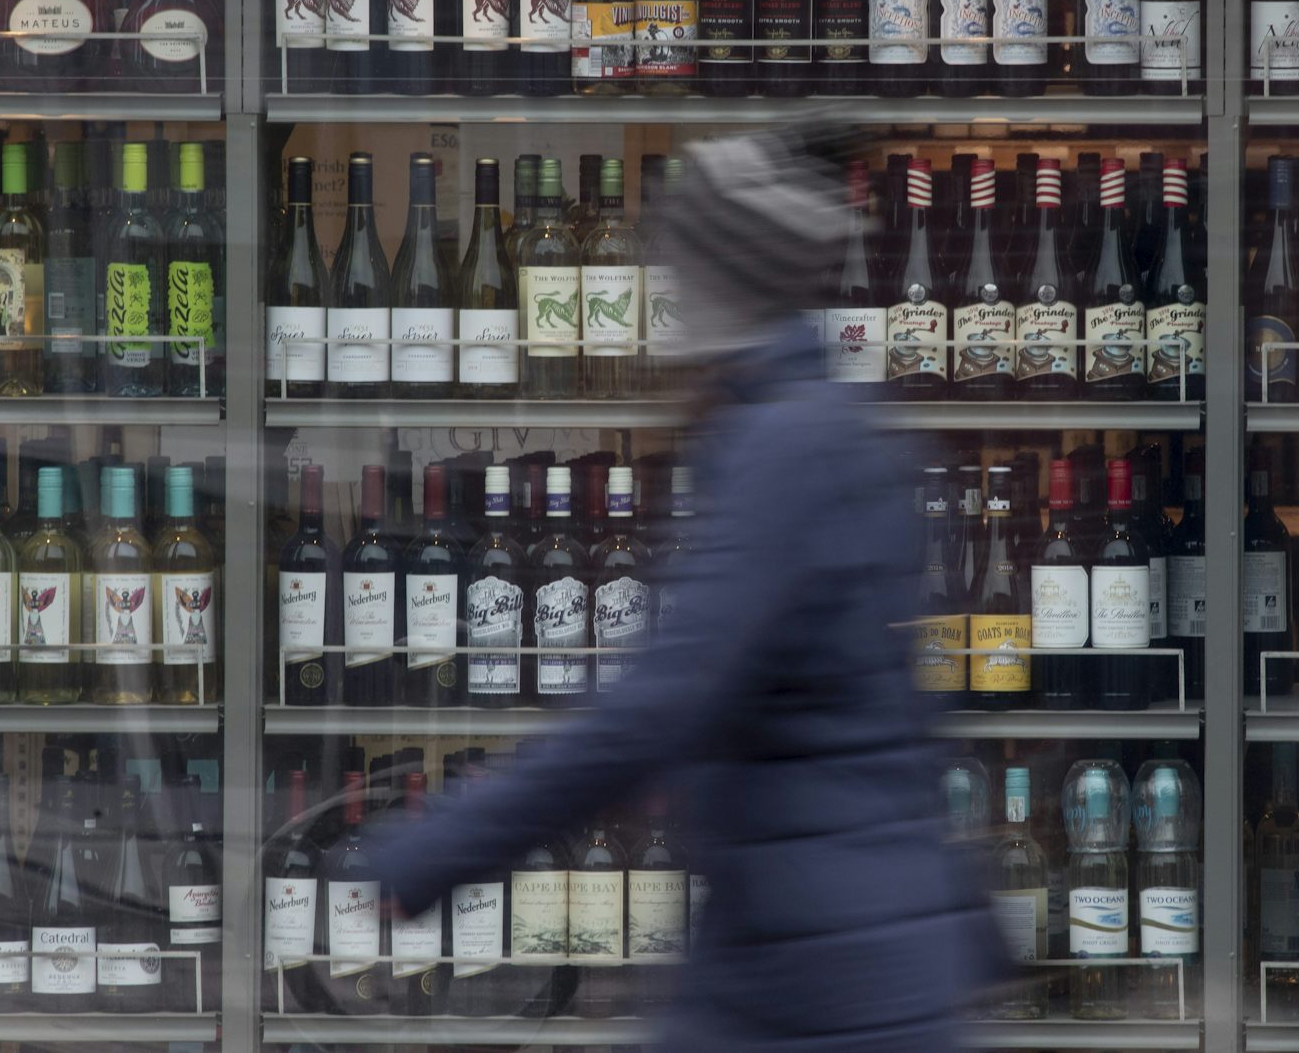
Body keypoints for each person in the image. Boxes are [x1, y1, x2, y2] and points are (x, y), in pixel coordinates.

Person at [375, 128, 1006, 1050]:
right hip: (822, 928)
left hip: (824, 958)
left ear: (713, 288)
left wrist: (443, 846)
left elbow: (667, 695)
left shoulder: (784, 446)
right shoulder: (834, 423)